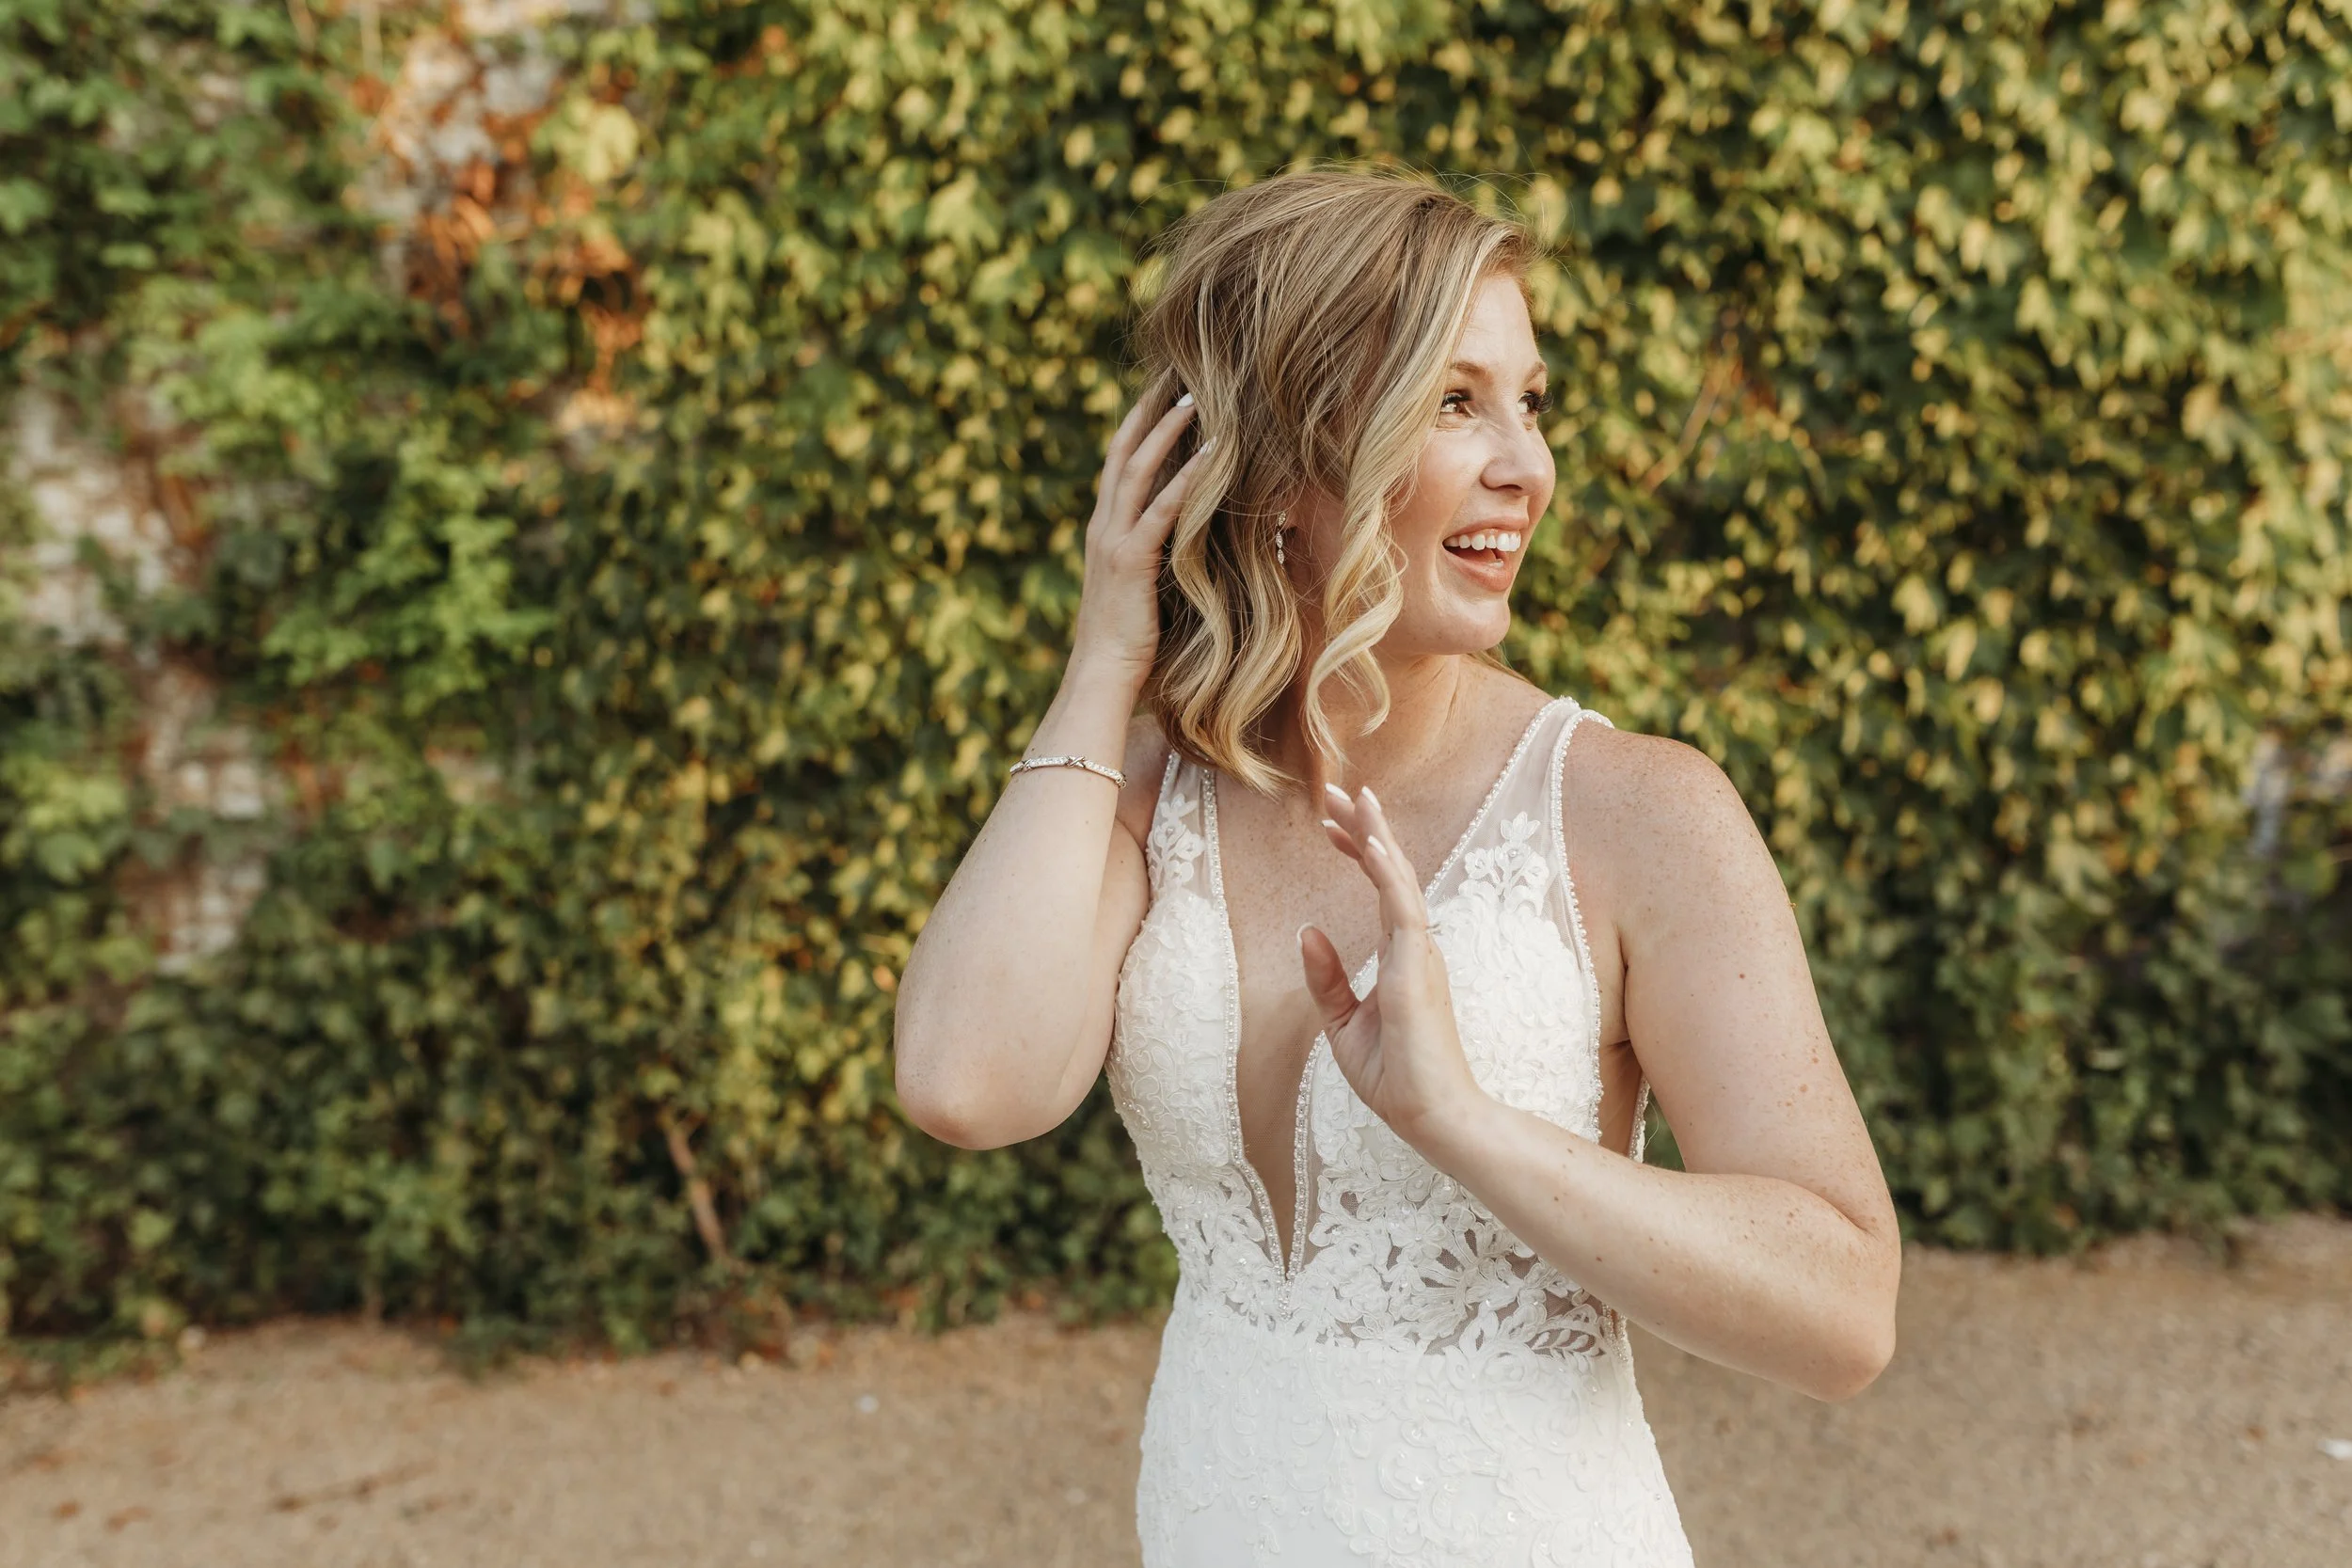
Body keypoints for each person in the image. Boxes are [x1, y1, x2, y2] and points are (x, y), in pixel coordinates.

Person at [893, 169, 1900, 1568]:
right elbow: (967, 1083)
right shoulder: (1150, 788)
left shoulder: (1637, 810)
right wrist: (1106, 653)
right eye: (1453, 403)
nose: (1527, 466)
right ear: (1279, 469)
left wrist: (1463, 1122)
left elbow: (1843, 1311)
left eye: (1531, 402)